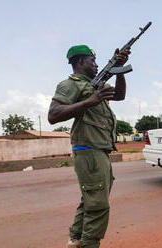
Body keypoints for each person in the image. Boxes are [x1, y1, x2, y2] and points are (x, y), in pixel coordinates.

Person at [48, 45, 130, 248]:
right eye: (92, 61)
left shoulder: (97, 84)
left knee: (91, 198)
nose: (96, 64)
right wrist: (89, 102)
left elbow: (119, 95)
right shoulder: (70, 85)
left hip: (98, 150)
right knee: (98, 204)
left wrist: (119, 70)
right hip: (88, 149)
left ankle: (75, 240)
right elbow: (53, 115)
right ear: (80, 62)